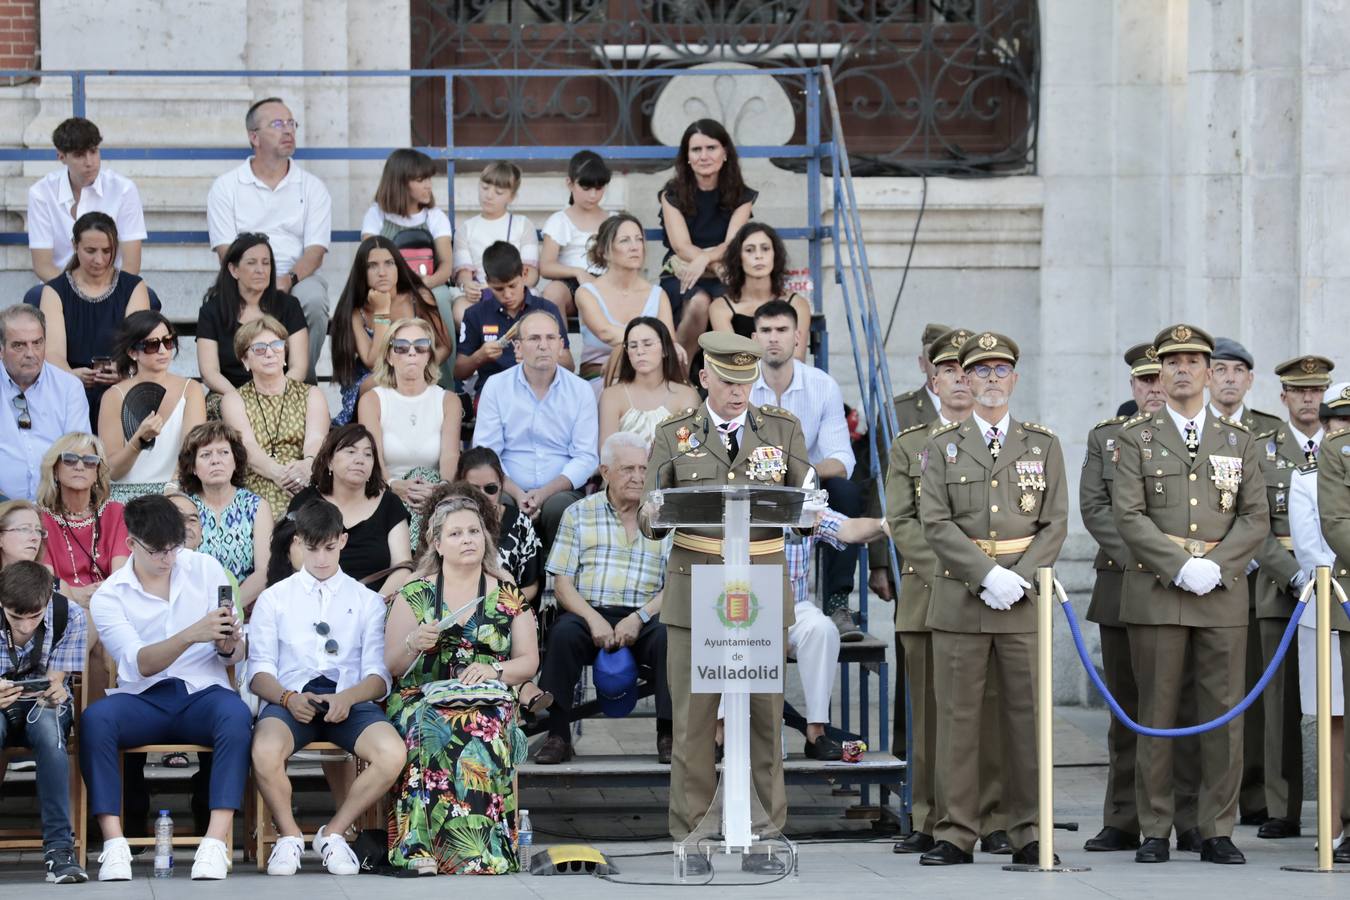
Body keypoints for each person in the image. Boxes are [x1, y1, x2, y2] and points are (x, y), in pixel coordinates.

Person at [640, 331, 810, 875]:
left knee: (764, 716)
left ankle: (764, 835)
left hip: (757, 583)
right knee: (693, 719)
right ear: (704, 376)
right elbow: (649, 511)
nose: (739, 392)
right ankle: (692, 837)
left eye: (747, 381)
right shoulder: (674, 433)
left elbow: (805, 504)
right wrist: (653, 511)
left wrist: (812, 513)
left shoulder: (781, 431)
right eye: (729, 380)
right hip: (697, 586)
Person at [1114, 324, 1269, 866]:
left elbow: (1256, 517)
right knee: (1156, 712)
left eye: (1192, 361)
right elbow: (1128, 515)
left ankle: (1215, 827)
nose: (1182, 369)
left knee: (1223, 715)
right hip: (1159, 588)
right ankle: (1156, 827)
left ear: (1209, 371)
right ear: (1160, 373)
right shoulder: (1135, 437)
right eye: (1172, 361)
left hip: (1220, 591)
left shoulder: (1240, 441)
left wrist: (1217, 566)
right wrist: (1180, 566)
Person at [917, 331, 1068, 867]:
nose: (990, 380)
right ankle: (956, 831)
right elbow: (934, 522)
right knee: (958, 720)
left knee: (1025, 720)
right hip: (963, 595)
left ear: (1015, 379)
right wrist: (985, 575)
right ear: (964, 379)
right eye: (979, 372)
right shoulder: (943, 444)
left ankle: (1028, 830)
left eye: (1000, 371)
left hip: (1023, 599)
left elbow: (1054, 523)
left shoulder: (1042, 443)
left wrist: (1020, 577)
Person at [80, 494, 250, 881]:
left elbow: (234, 651)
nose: (168, 558)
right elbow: (140, 663)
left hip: (202, 692)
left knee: (236, 714)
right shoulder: (110, 594)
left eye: (174, 547)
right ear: (131, 544)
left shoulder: (205, 568)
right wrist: (192, 634)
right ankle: (114, 843)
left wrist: (228, 644)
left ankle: (214, 841)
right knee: (95, 720)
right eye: (157, 550)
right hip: (143, 697)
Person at [885, 327, 1009, 856]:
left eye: (970, 370)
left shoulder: (1006, 441)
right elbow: (904, 521)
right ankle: (929, 815)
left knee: (993, 711)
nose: (961, 379)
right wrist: (963, 570)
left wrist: (988, 575)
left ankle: (996, 816)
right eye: (949, 370)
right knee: (932, 716)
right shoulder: (911, 445)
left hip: (994, 597)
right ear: (932, 379)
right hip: (930, 593)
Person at [1078, 341, 1201, 853]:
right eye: (1145, 380)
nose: (1154, 388)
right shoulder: (1109, 438)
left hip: (1189, 588)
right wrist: (1151, 559)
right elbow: (1095, 508)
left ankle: (1190, 817)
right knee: (1129, 710)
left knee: (1190, 706)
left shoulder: (1200, 440)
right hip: (1124, 585)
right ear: (1133, 386)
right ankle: (1125, 817)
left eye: (1161, 377)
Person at [383, 494, 541, 875]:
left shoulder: (507, 595)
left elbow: (529, 661)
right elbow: (393, 666)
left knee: (480, 724)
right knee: (429, 726)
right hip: (422, 696)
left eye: (474, 531)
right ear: (437, 544)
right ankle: (422, 849)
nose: (467, 539)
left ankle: (480, 850)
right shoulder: (415, 593)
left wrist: (495, 672)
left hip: (487, 698)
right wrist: (413, 643)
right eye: (455, 533)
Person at [248, 498, 406, 876]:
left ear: (343, 541)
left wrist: (347, 698)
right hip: (290, 701)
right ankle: (288, 836)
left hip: (348, 700)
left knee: (391, 752)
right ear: (299, 542)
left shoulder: (367, 601)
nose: (320, 558)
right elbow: (258, 673)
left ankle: (333, 833)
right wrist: (288, 697)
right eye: (312, 548)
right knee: (265, 748)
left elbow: (378, 676)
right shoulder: (274, 598)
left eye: (329, 547)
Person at [535, 431, 674, 765]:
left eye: (643, 468)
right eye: (627, 469)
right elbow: (563, 584)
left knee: (672, 636)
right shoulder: (579, 513)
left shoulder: (663, 515)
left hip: (647, 614)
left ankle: (668, 734)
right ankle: (558, 735)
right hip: (589, 612)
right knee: (563, 634)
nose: (638, 476)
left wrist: (638, 618)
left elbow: (677, 585)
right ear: (605, 472)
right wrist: (592, 618)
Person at [1248, 354, 1335, 840]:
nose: (1309, 399)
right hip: (1283, 587)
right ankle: (1283, 806)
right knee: (1280, 702)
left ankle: (1337, 805)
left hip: (1339, 585)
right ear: (1283, 398)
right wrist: (1295, 577)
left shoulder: (1341, 447)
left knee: (1337, 699)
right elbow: (1255, 525)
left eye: (1316, 391)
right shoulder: (1262, 450)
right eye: (1299, 391)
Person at [1205, 337, 1284, 828]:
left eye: (1239, 371)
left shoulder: (1269, 432)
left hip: (1265, 578)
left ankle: (1255, 795)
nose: (1230, 378)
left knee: (1259, 689)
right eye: (1222, 369)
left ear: (1251, 381)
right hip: (1209, 577)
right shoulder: (1196, 429)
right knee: (1213, 692)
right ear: (1210, 378)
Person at [750, 300, 860, 638]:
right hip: (750, 488)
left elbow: (843, 459)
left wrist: (795, 471)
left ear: (797, 336)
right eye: (766, 331)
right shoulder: (740, 384)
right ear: (754, 338)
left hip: (807, 489)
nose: (773, 338)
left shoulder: (821, 384)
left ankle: (837, 602)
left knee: (846, 492)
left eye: (781, 330)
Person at [207, 96, 332, 381]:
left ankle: (299, 383)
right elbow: (227, 251)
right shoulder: (226, 187)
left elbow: (315, 251)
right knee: (221, 303)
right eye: (277, 124)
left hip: (295, 275)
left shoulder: (313, 187)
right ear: (254, 137)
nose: (288, 130)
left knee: (312, 300)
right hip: (245, 274)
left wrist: (286, 280)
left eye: (291, 123)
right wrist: (257, 277)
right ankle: (246, 385)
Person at [472, 309, 598, 553]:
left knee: (559, 507)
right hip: (508, 487)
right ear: (517, 347)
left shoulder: (581, 390)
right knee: (500, 504)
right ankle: (505, 584)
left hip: (560, 490)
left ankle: (557, 582)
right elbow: (487, 454)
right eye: (534, 338)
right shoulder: (497, 386)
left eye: (551, 338)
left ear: (561, 345)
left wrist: (543, 493)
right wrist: (519, 493)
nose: (543, 346)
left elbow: (586, 457)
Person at [0, 560, 89, 883]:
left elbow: (57, 679)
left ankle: (59, 850)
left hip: (42, 703)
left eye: (34, 617)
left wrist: (54, 692)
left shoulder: (70, 615)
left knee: (51, 737)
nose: (24, 627)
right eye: (15, 618)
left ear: (47, 601)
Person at [1290, 381, 1350, 854]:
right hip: (1329, 606)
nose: (1344, 433)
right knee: (1331, 720)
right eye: (1338, 423)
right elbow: (1313, 549)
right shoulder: (1306, 479)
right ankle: (1332, 826)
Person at [38, 212, 152, 427]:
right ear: (74, 245)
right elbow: (53, 353)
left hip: (123, 382)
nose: (99, 260)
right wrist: (71, 377)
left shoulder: (134, 287)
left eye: (107, 251)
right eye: (90, 251)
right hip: (69, 385)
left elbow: (138, 343)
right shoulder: (54, 290)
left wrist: (123, 370)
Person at [657, 119, 757, 359]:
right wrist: (708, 261)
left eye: (711, 148)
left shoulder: (742, 196)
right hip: (683, 273)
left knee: (730, 301)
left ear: (725, 153)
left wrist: (704, 259)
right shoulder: (671, 195)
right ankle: (678, 368)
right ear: (687, 158)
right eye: (696, 150)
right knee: (700, 302)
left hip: (724, 271)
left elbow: (733, 244)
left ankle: (734, 374)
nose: (704, 156)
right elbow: (681, 247)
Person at [24, 117, 147, 309]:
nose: (89, 162)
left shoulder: (123, 189)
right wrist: (78, 292)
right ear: (61, 157)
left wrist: (104, 293)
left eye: (94, 151)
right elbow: (43, 265)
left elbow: (132, 264)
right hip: (62, 288)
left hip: (112, 287)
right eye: (80, 155)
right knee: (35, 297)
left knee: (149, 299)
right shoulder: (41, 193)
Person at [356, 318, 460, 541]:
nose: (411, 353)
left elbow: (450, 455)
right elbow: (372, 457)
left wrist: (439, 489)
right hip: (385, 492)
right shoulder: (372, 400)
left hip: (435, 496)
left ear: (429, 355)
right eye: (402, 347)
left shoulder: (448, 400)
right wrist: (394, 486)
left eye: (420, 346)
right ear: (389, 356)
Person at [331, 236, 452, 426]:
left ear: (398, 267)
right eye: (372, 266)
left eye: (389, 263)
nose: (382, 272)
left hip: (418, 371)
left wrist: (422, 368)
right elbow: (373, 362)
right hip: (371, 379)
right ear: (362, 272)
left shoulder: (418, 298)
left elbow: (445, 346)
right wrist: (382, 310)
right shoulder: (356, 311)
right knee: (375, 383)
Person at [220, 316, 330, 524]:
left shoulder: (311, 394)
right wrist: (280, 475)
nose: (270, 353)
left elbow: (316, 439)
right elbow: (248, 446)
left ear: (285, 353)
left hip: (306, 479)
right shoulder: (234, 400)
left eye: (277, 345)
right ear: (245, 360)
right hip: (257, 483)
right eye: (260, 348)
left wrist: (307, 466)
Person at [288, 424, 413, 596]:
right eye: (351, 452)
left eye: (368, 454)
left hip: (377, 608)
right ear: (329, 461)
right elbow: (296, 556)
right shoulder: (306, 501)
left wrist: (374, 606)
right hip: (315, 601)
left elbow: (402, 566)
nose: (360, 459)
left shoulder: (390, 504)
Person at [99, 312, 206, 503]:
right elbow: (112, 471)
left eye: (168, 341)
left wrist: (173, 490)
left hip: (175, 491)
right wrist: (138, 441)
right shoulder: (114, 396)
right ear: (132, 352)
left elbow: (191, 451)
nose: (163, 350)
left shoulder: (191, 389)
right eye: (151, 345)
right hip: (125, 497)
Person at [453, 241, 573, 398]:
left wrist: (541, 357)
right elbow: (459, 371)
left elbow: (569, 365)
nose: (507, 295)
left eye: (512, 286)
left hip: (542, 392)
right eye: (499, 289)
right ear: (487, 282)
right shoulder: (475, 314)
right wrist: (479, 356)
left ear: (524, 274)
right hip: (494, 394)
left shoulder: (546, 309)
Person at [196, 233, 311, 397]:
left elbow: (298, 367)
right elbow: (209, 372)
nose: (260, 270)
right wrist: (241, 399)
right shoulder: (212, 311)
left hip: (281, 394)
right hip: (229, 395)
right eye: (251, 263)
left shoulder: (289, 306)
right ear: (234, 270)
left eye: (266, 263)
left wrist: (273, 395)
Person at [176, 421, 273, 609]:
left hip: (244, 609)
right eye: (205, 455)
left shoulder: (256, 507)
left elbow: (264, 571)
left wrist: (228, 607)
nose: (215, 460)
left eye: (223, 452)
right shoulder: (184, 508)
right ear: (193, 467)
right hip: (194, 608)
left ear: (235, 462)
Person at [574, 213, 677, 384]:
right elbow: (606, 333)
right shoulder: (587, 293)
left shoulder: (658, 294)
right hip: (601, 376)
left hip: (649, 376)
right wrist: (653, 340)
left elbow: (670, 343)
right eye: (625, 240)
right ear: (604, 251)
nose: (635, 246)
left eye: (639, 239)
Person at [0, 305, 89, 501]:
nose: (31, 353)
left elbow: (78, 454)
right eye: (19, 345)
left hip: (57, 506)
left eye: (37, 343)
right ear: (1, 350)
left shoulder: (69, 388)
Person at [37, 433, 129, 609]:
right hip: (60, 605)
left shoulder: (115, 511)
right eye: (70, 459)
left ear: (97, 473)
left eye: (89, 461)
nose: (79, 466)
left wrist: (101, 596)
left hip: (111, 602)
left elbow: (121, 577)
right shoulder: (40, 518)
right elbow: (46, 582)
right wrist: (72, 595)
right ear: (55, 470)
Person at [360, 148, 455, 306]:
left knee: (440, 297)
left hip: (429, 284)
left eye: (429, 179)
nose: (428, 186)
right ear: (400, 183)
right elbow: (370, 260)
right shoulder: (376, 214)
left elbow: (446, 265)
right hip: (386, 286)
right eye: (420, 180)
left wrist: (428, 282)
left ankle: (443, 332)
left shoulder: (435, 216)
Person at [452, 161, 540, 325]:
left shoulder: (522, 225)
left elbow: (531, 273)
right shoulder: (466, 229)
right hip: (481, 293)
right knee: (460, 309)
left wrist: (512, 289)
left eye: (498, 192)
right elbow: (464, 273)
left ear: (511, 196)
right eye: (485, 188)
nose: (489, 195)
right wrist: (467, 286)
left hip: (515, 290)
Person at [453, 447, 542, 604]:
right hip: (456, 607)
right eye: (473, 490)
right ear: (460, 486)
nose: (483, 496)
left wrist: (497, 606)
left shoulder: (520, 522)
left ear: (501, 484)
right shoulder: (448, 522)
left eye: (490, 488)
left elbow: (532, 586)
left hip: (506, 611)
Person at [710, 223, 811, 360]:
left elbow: (798, 360)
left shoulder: (798, 304)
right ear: (738, 257)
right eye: (749, 250)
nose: (758, 256)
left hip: (786, 379)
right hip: (742, 379)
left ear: (775, 255)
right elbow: (734, 361)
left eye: (765, 249)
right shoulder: (720, 307)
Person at [598, 317, 701, 450]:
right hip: (625, 470)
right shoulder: (611, 396)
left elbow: (688, 449)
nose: (640, 351)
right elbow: (607, 451)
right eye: (633, 346)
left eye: (647, 344)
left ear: (665, 349)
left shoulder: (687, 395)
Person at [539, 150, 612, 317]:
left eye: (599, 188)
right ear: (570, 183)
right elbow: (546, 266)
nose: (593, 195)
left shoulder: (613, 220)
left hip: (607, 283)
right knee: (552, 293)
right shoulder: (560, 220)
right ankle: (561, 344)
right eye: (585, 188)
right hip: (570, 283)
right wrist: (578, 272)